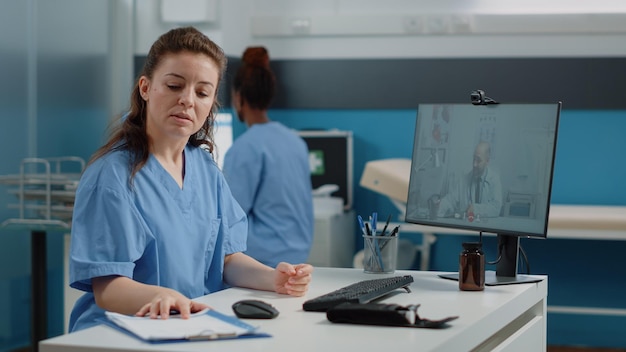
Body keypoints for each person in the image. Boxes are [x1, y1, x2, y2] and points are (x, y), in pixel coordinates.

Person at [68, 27, 313, 333]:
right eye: (174, 85)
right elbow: (108, 289)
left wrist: (274, 278)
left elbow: (227, 259)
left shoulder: (205, 168)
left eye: (202, 92)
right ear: (145, 87)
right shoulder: (112, 176)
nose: (187, 100)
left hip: (188, 324)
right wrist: (160, 296)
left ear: (211, 103)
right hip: (118, 332)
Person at [222, 46, 314, 268]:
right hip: (298, 255)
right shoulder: (296, 142)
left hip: (262, 260)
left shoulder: (245, 148)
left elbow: (229, 219)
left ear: (238, 97)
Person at [433, 141, 503, 219]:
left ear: (487, 161)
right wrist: (440, 205)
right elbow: (451, 200)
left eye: (478, 160)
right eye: (474, 159)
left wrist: (475, 209)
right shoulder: (464, 180)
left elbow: (496, 208)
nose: (474, 164)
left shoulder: (494, 180)